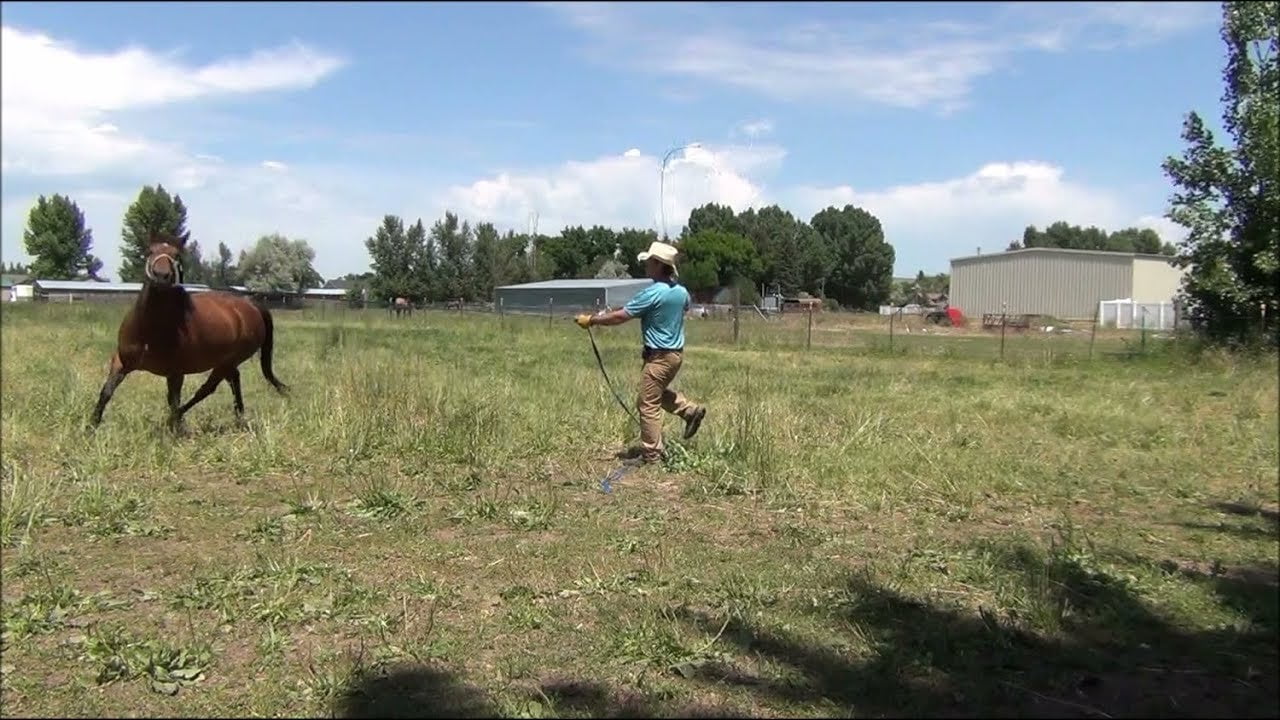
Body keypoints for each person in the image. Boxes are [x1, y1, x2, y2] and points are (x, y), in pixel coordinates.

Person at [575, 240, 706, 463]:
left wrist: (592, 320)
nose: (645, 267)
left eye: (648, 262)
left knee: (647, 402)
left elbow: (621, 316)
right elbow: (684, 307)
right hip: (675, 356)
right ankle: (689, 411)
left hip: (659, 357)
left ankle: (652, 454)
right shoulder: (681, 292)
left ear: (657, 264)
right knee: (654, 394)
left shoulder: (652, 293)